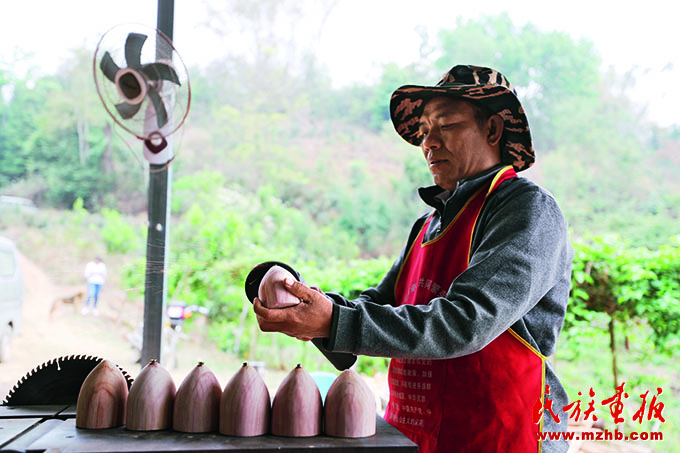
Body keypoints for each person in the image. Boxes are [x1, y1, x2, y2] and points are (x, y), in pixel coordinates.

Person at [245, 65, 573, 452]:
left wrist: (333, 321)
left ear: (492, 130)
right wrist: (308, 311)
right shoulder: (427, 225)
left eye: (446, 125)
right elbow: (372, 312)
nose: (428, 143)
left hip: (500, 438)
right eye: (423, 132)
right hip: (414, 438)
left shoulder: (527, 211)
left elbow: (467, 322)